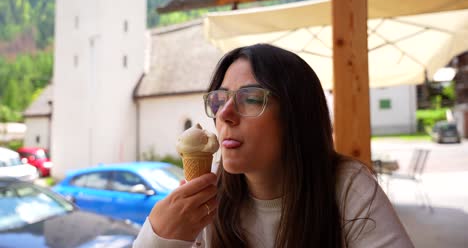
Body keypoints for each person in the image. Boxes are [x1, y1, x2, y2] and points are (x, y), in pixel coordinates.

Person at [133, 44, 413, 247]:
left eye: (251, 98)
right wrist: (159, 238)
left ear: (296, 115)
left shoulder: (347, 186)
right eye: (219, 100)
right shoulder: (208, 202)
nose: (224, 114)